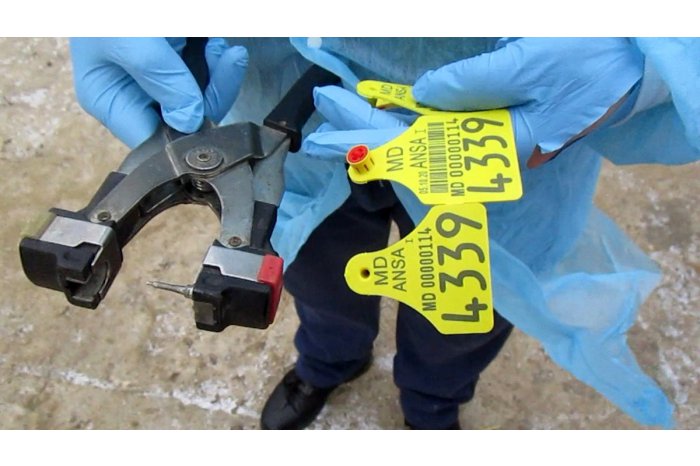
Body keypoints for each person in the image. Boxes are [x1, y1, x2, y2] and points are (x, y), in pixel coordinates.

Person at [69, 37, 700, 429]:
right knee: (317, 272)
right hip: (293, 109)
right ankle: (328, 362)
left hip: (505, 126)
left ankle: (433, 402)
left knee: (468, 300)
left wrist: (645, 60)